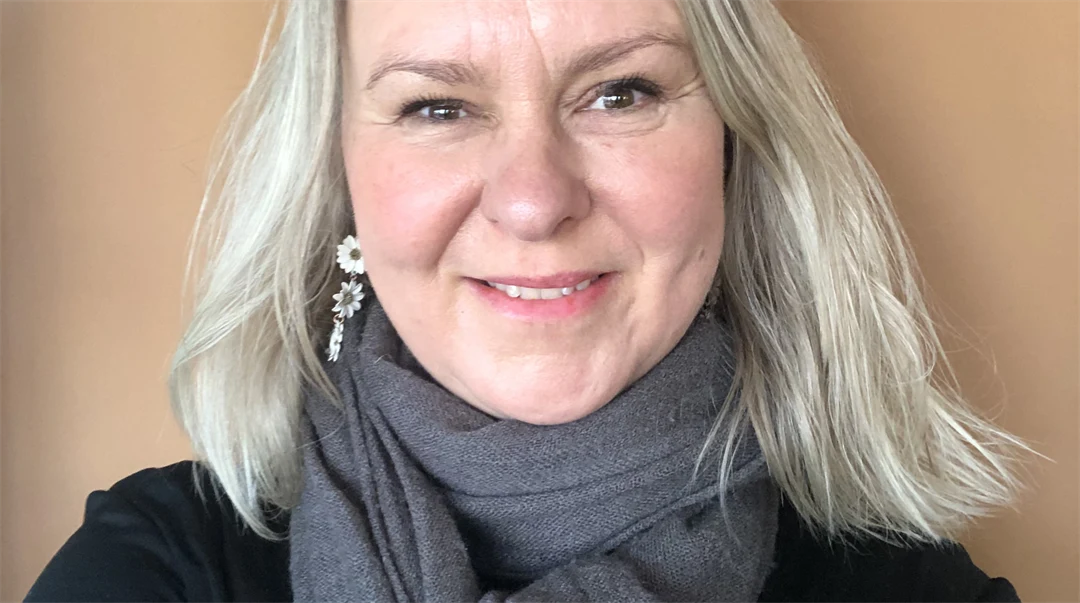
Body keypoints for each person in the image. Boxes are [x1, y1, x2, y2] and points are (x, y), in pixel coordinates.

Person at [25, 0, 1029, 601]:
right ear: (338, 178)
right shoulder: (153, 573)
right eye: (437, 106)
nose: (534, 199)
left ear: (734, 146)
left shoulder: (914, 594)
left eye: (621, 92)